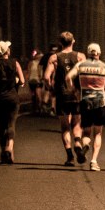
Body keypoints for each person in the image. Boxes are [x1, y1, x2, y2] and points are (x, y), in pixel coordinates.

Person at [66, 43, 105, 172]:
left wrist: (73, 90)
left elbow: (68, 77)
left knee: (86, 131)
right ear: (99, 53)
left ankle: (85, 145)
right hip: (100, 102)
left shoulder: (80, 65)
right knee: (98, 133)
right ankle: (94, 162)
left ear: (88, 53)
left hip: (85, 101)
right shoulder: (104, 66)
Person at [44, 32, 85, 166]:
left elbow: (46, 77)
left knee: (65, 126)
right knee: (77, 124)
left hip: (61, 95)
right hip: (76, 94)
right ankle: (78, 142)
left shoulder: (54, 57)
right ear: (73, 41)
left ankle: (70, 157)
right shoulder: (80, 56)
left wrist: (50, 88)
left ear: (60, 43)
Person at [0, 41, 25, 165]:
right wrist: (16, 81)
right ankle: (10, 148)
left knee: (2, 125)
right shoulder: (15, 63)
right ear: (7, 51)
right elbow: (22, 81)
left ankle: (3, 151)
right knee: (11, 124)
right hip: (13, 98)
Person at [26, 49, 45, 115]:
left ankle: (39, 108)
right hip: (31, 80)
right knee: (33, 96)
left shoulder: (42, 64)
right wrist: (27, 80)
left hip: (38, 81)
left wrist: (41, 78)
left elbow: (42, 72)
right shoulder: (31, 63)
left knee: (38, 96)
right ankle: (34, 109)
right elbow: (28, 71)